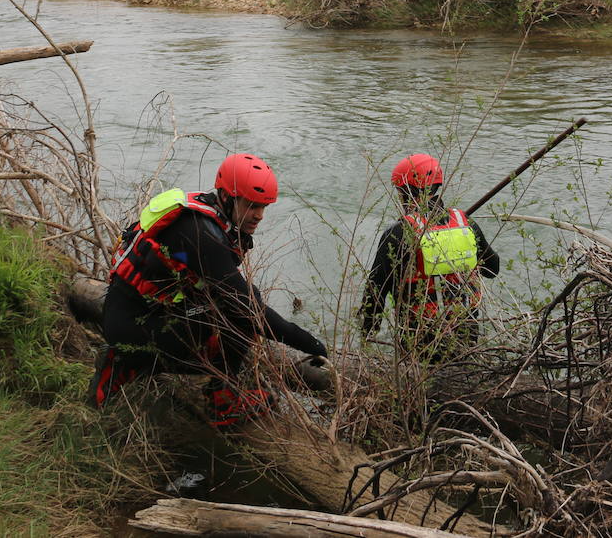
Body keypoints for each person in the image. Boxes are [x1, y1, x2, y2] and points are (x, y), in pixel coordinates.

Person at [90, 153, 328, 426]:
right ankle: (221, 400)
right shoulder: (202, 236)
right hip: (138, 330)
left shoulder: (205, 213)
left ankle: (132, 359)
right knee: (244, 311)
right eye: (252, 205)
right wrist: (313, 344)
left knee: (243, 298)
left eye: (264, 206)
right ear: (227, 198)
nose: (260, 215)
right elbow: (251, 313)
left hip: (134, 317)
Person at [359, 153, 499, 359]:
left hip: (418, 340)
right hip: (465, 334)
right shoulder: (464, 223)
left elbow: (375, 293)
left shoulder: (399, 232)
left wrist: (365, 338)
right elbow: (492, 269)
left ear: (405, 192)